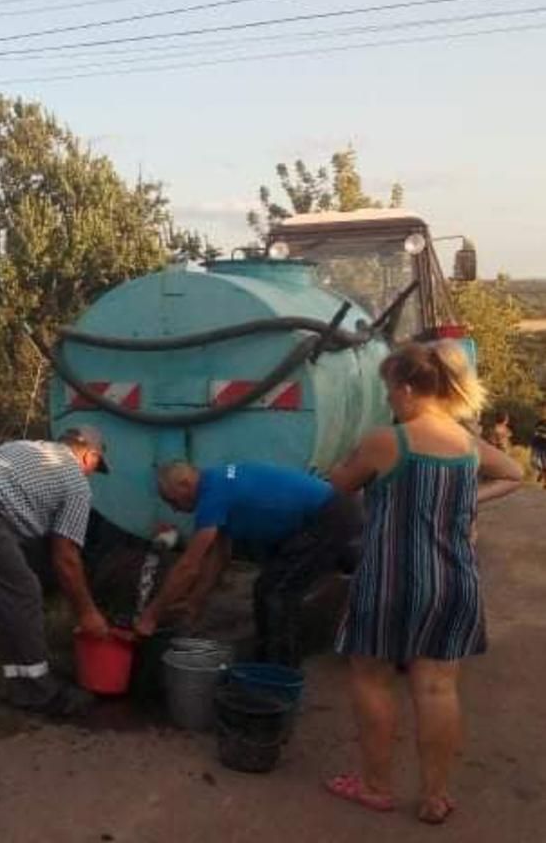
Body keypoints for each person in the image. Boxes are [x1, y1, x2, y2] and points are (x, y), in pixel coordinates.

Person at [325, 341, 521, 825]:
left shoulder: (388, 441)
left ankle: (375, 786)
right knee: (436, 688)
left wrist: (341, 464)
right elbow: (515, 473)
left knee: (371, 675)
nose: (388, 398)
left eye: (390, 389)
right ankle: (435, 796)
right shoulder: (466, 443)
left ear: (409, 388)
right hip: (454, 579)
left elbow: (338, 487)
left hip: (391, 579)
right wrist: (472, 503)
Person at [0, 425, 111, 718]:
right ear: (90, 456)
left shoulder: (29, 448)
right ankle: (36, 691)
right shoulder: (77, 483)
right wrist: (88, 613)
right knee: (24, 592)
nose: (92, 474)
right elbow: (66, 558)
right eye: (96, 467)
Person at [135, 461, 364, 666]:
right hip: (330, 513)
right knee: (276, 586)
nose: (174, 509)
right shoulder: (218, 480)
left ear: (185, 484)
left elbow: (188, 566)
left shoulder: (213, 494)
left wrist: (151, 615)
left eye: (172, 501)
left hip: (328, 516)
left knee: (274, 592)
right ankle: (273, 665)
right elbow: (219, 557)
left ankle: (275, 675)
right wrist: (195, 601)